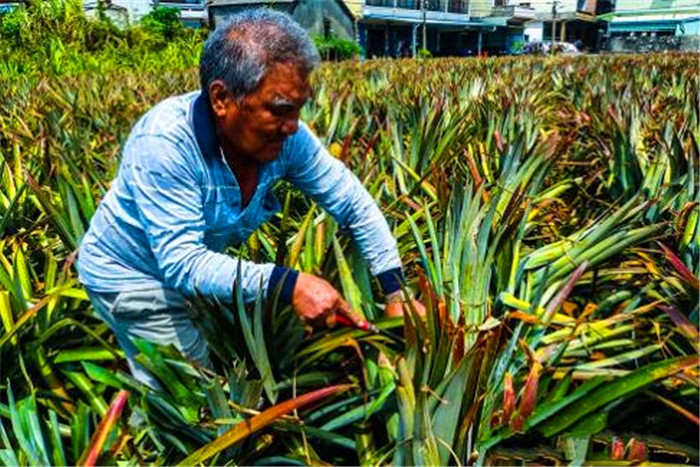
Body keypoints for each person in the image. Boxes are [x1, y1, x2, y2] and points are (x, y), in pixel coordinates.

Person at [77, 9, 420, 388]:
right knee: (192, 393)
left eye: (298, 108)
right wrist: (289, 284)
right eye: (280, 109)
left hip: (191, 264)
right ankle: (147, 437)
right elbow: (182, 262)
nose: (293, 127)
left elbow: (352, 203)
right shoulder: (164, 143)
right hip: (131, 274)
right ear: (222, 98)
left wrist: (396, 290)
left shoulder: (287, 139)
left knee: (223, 359)